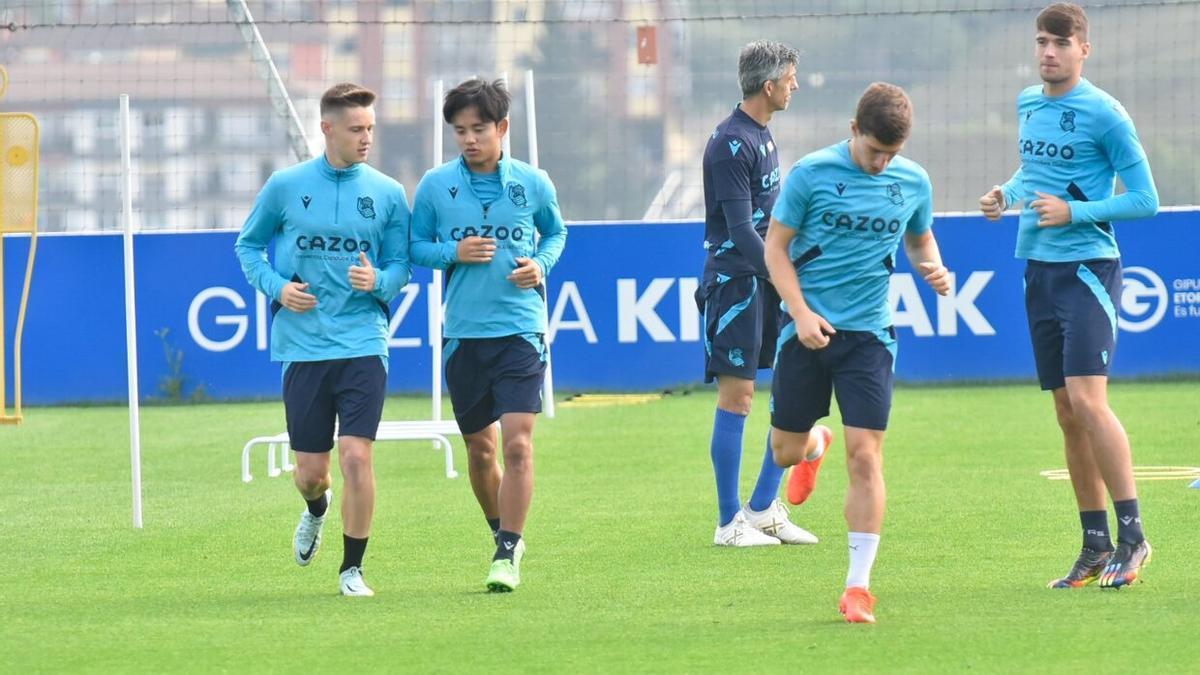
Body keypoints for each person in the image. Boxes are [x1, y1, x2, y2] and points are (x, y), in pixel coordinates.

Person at [979, 2, 1158, 590]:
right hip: (1038, 267)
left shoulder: (1106, 114)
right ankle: (1094, 544)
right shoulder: (1029, 102)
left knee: (1087, 401)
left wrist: (1075, 211)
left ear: (1085, 49)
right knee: (1064, 411)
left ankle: (1134, 538)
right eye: (1041, 42)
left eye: (1061, 42)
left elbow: (1144, 199)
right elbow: (1033, 175)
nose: (1049, 52)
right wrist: (1006, 193)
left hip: (1087, 268)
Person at [764, 83, 951, 623]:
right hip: (806, 330)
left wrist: (930, 265)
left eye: (891, 153)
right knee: (785, 453)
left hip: (870, 335)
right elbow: (775, 249)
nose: (882, 162)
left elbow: (919, 238)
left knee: (866, 455)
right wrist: (799, 313)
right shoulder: (811, 175)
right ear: (853, 130)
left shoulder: (913, 180)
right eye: (874, 151)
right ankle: (814, 444)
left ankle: (857, 586)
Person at [234, 83, 412, 597]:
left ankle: (352, 568)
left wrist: (377, 281)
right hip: (303, 347)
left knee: (357, 455)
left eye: (371, 129)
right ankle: (316, 508)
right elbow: (248, 247)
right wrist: (278, 288)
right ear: (327, 128)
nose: (366, 138)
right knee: (312, 473)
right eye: (357, 129)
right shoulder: (285, 186)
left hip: (363, 341)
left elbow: (401, 267)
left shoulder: (388, 193)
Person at [410, 78, 567, 592]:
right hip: (463, 335)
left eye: (479, 128)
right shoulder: (435, 186)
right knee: (482, 450)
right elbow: (415, 247)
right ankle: (503, 534)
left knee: (519, 444)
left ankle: (506, 551)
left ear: (502, 128)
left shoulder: (533, 181)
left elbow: (557, 232)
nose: (469, 139)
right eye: (460, 130)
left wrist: (540, 265)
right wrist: (452, 253)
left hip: (520, 330)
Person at [698, 40, 823, 548]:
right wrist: (780, 276)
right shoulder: (731, 142)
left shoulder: (762, 136)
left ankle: (765, 510)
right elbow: (742, 230)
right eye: (791, 77)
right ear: (769, 85)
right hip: (736, 283)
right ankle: (730, 524)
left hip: (764, 280)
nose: (795, 85)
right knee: (739, 396)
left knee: (788, 392)